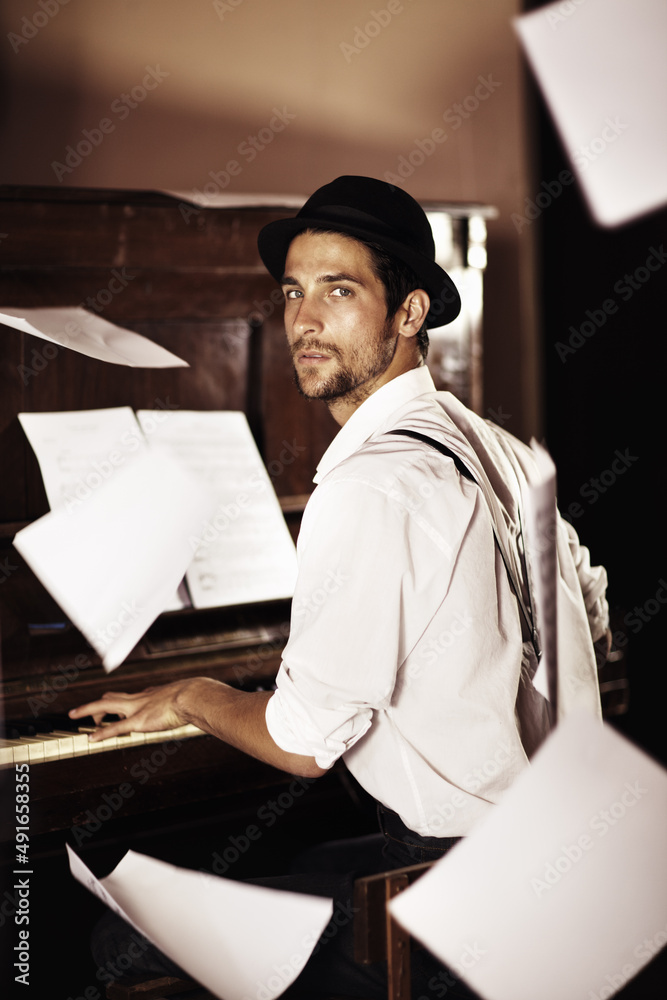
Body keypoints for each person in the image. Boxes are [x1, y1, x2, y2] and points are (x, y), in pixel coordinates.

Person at [71, 176, 610, 997]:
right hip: (560, 860)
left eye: (340, 289)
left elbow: (299, 745)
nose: (304, 321)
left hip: (464, 905)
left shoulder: (369, 486)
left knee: (107, 940)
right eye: (293, 290)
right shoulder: (497, 446)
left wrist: (192, 691)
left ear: (409, 313)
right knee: (311, 858)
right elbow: (595, 620)